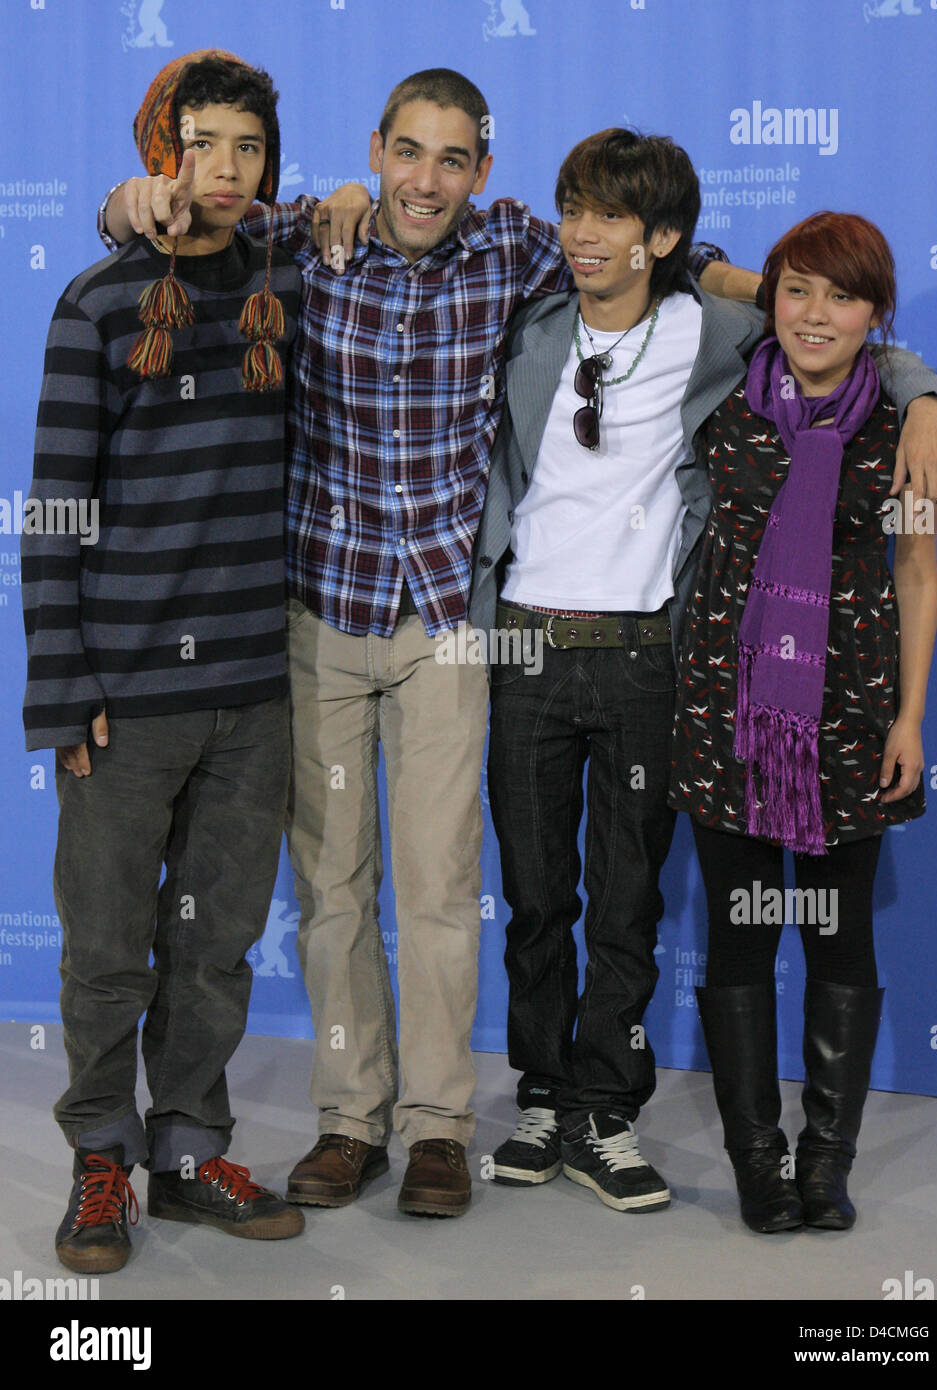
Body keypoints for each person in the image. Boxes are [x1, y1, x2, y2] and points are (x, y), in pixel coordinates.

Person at [99, 71, 743, 1218]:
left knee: (442, 888)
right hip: (320, 616)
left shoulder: (519, 250)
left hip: (449, 622)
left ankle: (440, 1121)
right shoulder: (304, 234)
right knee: (334, 887)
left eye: (452, 160)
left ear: (483, 173)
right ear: (375, 151)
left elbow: (656, 260)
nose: (426, 180)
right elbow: (175, 220)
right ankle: (353, 1119)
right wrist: (126, 202)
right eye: (407, 153)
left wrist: (879, 360)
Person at [470, 138, 937, 1214]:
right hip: (592, 664)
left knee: (663, 907)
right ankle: (577, 1103)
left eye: (610, 216)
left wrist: (928, 396)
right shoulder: (565, 327)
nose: (584, 233)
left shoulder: (764, 360)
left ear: (664, 239)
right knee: (545, 896)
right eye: (573, 210)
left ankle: (675, 1124)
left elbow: (868, 364)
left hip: (724, 675)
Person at [23, 51, 304, 1274]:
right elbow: (53, 509)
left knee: (218, 940)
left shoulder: (288, 283)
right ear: (159, 152)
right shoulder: (94, 304)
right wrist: (59, 684)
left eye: (249, 148)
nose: (225, 170)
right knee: (105, 944)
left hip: (252, 686)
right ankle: (100, 1162)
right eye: (202, 145)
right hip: (123, 694)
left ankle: (189, 1153)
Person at [668, 211, 937, 1233]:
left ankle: (826, 1162)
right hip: (729, 712)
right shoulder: (722, 387)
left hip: (852, 713)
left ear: (877, 314)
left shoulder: (902, 422)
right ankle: (756, 1159)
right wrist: (759, 282)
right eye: (796, 291)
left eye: (841, 296)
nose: (814, 314)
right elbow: (695, 275)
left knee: (838, 944)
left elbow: (915, 574)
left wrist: (911, 718)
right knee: (739, 941)